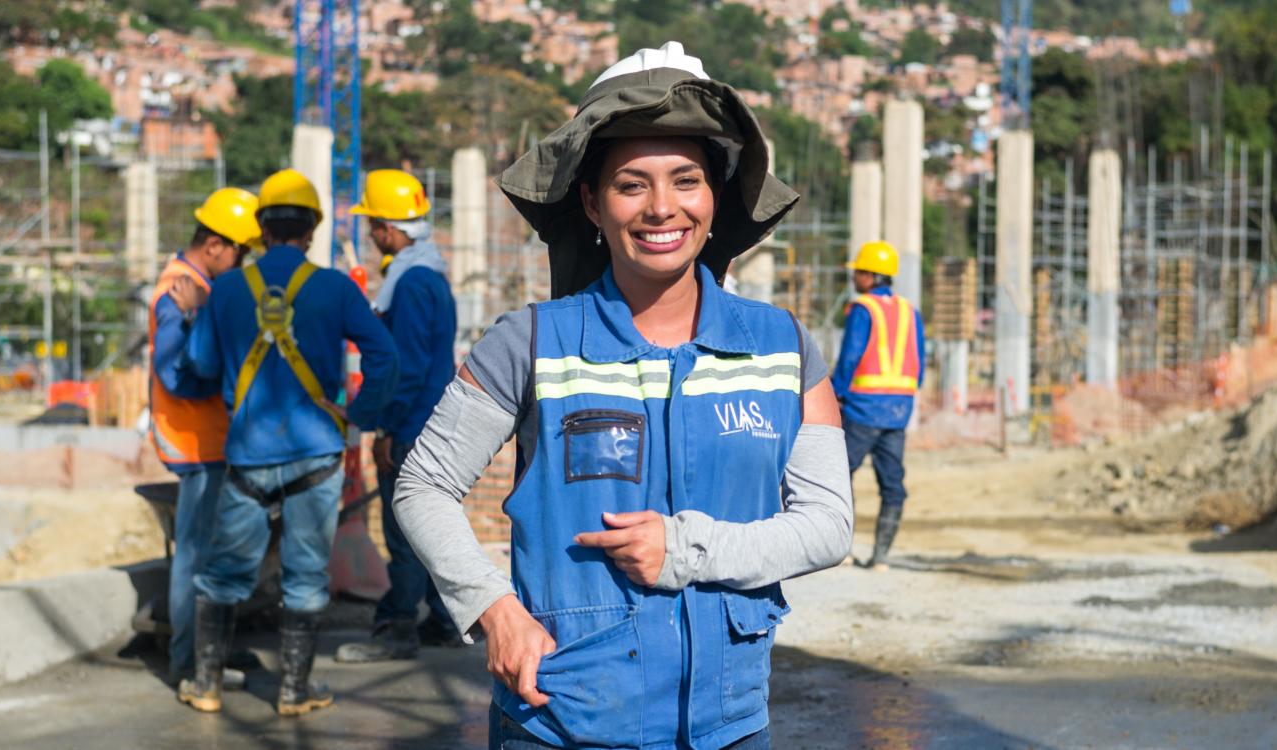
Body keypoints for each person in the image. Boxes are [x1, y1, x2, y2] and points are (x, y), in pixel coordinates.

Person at [391, 42, 855, 749]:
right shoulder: (528, 344)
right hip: (560, 722)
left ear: (717, 196)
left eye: (686, 180)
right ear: (591, 202)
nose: (661, 208)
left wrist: (689, 548)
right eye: (631, 184)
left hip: (727, 727)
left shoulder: (783, 349)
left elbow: (827, 525)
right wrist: (493, 611)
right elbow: (423, 485)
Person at [179, 168, 399, 716]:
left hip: (247, 455)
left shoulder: (226, 290)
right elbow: (385, 356)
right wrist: (359, 414)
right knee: (305, 577)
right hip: (316, 456)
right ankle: (294, 691)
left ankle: (205, 684)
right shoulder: (333, 289)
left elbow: (201, 365)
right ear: (310, 232)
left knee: (224, 573)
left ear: (261, 229)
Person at [336, 169, 462, 663]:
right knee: (428, 525)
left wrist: (389, 428)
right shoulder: (430, 275)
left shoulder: (409, 284)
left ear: (389, 229)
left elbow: (405, 368)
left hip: (412, 425)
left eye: (373, 226)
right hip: (432, 422)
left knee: (405, 529)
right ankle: (444, 619)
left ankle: (397, 627)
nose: (370, 236)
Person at [147, 186, 260, 689]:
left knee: (205, 555)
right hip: (196, 443)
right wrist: (225, 375)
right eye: (241, 250)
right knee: (193, 558)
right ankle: (189, 664)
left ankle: (203, 656)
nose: (242, 261)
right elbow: (174, 375)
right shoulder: (179, 291)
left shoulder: (199, 288)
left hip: (212, 441)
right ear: (215, 244)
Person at [831, 240, 924, 570]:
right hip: (898, 410)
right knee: (892, 483)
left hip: (861, 408)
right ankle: (881, 557)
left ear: (871, 276)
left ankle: (841, 550)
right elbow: (920, 362)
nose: (855, 278)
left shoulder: (863, 309)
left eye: (858, 273)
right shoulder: (910, 311)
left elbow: (850, 356)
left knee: (840, 476)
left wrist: (834, 392)